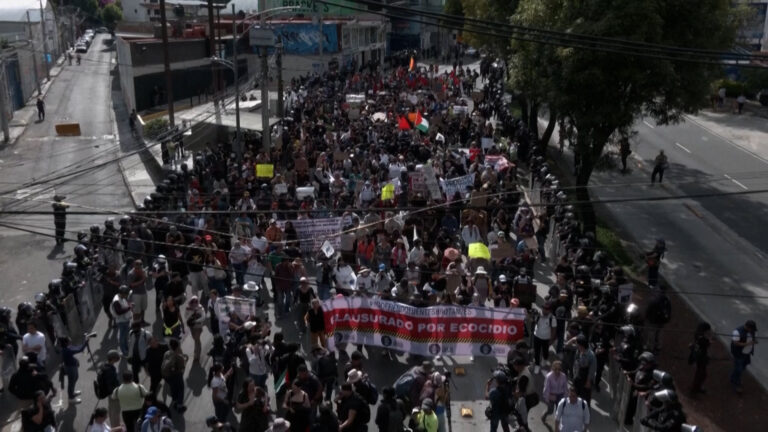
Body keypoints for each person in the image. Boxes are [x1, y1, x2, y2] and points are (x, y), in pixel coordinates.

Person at [730, 319, 757, 394]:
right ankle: (736, 384)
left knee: (742, 367)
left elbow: (752, 338)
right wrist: (749, 343)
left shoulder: (751, 331)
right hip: (739, 354)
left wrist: (754, 341)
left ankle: (733, 378)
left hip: (747, 353)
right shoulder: (737, 332)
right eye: (752, 329)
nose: (752, 331)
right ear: (748, 327)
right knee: (739, 369)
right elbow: (736, 343)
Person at [59, 335, 87, 404]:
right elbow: (80, 349)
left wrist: (84, 342)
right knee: (71, 382)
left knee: (75, 378)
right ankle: (71, 398)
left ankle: (72, 392)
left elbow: (77, 347)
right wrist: (86, 342)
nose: (70, 339)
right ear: (66, 342)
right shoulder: (67, 350)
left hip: (72, 367)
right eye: (69, 339)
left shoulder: (67, 347)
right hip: (70, 368)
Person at [162, 338, 188, 412]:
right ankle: (180, 406)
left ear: (170, 346)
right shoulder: (179, 357)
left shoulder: (166, 353)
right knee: (180, 389)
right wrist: (185, 361)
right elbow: (182, 369)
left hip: (167, 376)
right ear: (178, 347)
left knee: (173, 387)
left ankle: (175, 400)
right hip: (176, 375)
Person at [532, 303, 557, 373]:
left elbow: (554, 329)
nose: (545, 310)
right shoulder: (538, 315)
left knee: (545, 352)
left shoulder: (552, 318)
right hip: (537, 336)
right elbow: (533, 321)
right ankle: (537, 365)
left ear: (549, 310)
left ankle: (544, 359)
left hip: (546, 339)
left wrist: (551, 339)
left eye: (547, 309)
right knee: (536, 351)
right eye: (544, 309)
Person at [572, 335, 596, 404]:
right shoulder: (578, 351)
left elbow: (592, 370)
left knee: (584, 400)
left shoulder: (591, 355)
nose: (576, 345)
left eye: (577, 344)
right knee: (575, 396)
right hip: (577, 377)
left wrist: (588, 382)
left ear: (581, 345)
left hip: (585, 379)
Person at [690, 321, 712, 394]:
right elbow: (707, 344)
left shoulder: (698, 335)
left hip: (700, 357)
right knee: (700, 374)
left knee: (702, 374)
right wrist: (709, 340)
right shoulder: (701, 338)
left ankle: (698, 387)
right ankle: (694, 391)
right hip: (701, 358)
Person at [112, 285, 133, 355]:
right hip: (122, 321)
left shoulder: (121, 297)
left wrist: (129, 305)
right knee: (122, 337)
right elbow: (118, 311)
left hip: (125, 320)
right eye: (126, 294)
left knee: (126, 336)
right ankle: (124, 352)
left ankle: (127, 348)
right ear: (122, 293)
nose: (127, 295)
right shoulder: (116, 300)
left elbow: (124, 304)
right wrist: (129, 308)